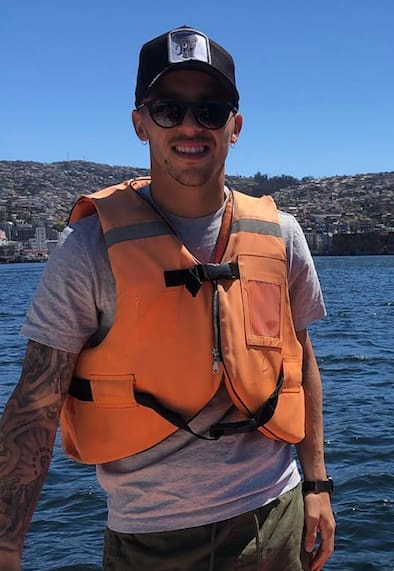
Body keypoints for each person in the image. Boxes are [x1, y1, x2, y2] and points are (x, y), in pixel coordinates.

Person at [0, 25, 335, 570]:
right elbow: (36, 401)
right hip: (151, 539)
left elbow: (300, 362)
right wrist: (6, 543)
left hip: (279, 518)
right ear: (140, 123)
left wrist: (317, 483)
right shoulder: (89, 248)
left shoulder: (282, 235)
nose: (190, 126)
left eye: (210, 110)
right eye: (167, 110)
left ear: (235, 126)